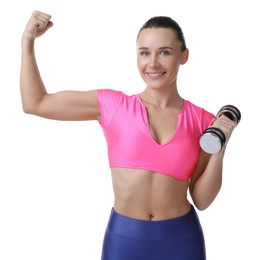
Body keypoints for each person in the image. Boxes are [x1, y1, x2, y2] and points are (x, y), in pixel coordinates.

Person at [20, 11, 236, 260]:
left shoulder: (203, 120)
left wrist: (220, 149)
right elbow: (35, 103)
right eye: (145, 52)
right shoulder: (113, 106)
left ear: (183, 56)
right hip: (125, 238)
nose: (152, 63)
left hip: (181, 239)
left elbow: (202, 199)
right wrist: (27, 41)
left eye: (164, 52)